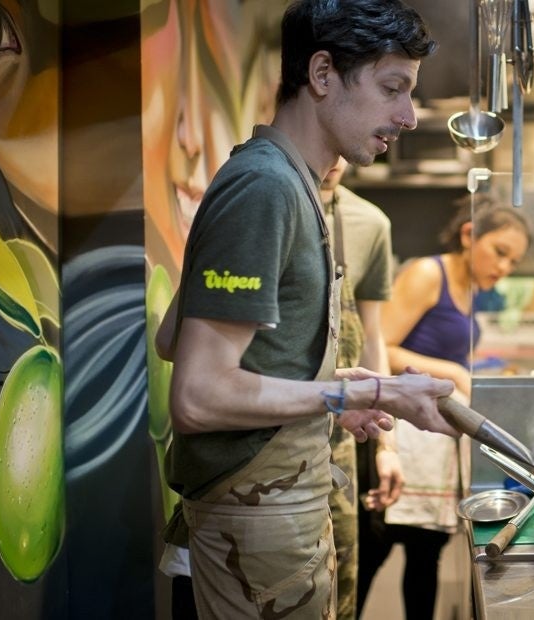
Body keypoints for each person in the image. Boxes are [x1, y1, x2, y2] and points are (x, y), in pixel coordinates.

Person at [160, 2, 459, 617]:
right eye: (392, 89)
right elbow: (197, 395)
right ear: (323, 75)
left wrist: (359, 385)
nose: (406, 116)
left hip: (278, 510)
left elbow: (174, 337)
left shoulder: (291, 183)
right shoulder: (266, 187)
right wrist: (352, 396)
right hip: (251, 521)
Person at [356, 197, 532, 619]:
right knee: (370, 560)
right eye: (500, 252)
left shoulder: (469, 288)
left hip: (433, 444)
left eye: (513, 261)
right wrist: (453, 370)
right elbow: (380, 347)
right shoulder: (425, 273)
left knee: (424, 558)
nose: (504, 268)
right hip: (397, 436)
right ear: (469, 235)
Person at [320, 156, 405, 620]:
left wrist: (387, 447)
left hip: (343, 428)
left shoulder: (371, 223)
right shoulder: (274, 204)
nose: (334, 161)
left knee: (344, 569)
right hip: (278, 422)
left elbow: (372, 336)